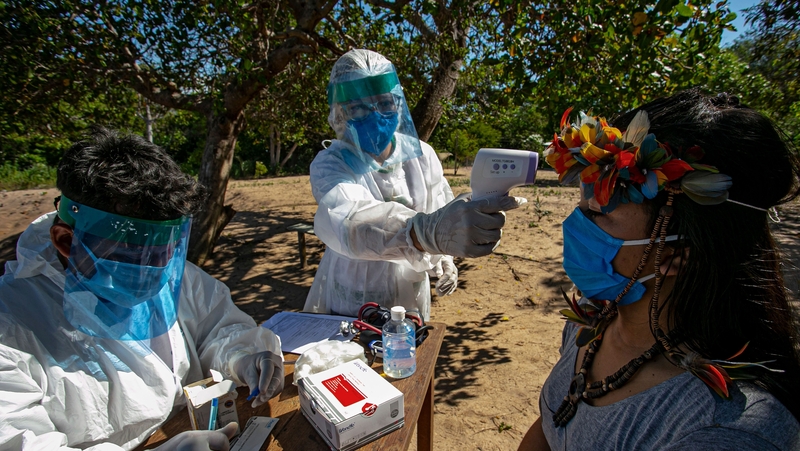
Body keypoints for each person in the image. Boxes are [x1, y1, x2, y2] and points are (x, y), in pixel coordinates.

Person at [520, 89, 800, 450]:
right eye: (582, 202)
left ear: (677, 254)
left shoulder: (725, 431)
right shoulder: (590, 324)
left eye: (598, 213)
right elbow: (549, 428)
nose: (575, 223)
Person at [0, 128, 285, 450]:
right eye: (132, 256)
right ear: (67, 241)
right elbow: (18, 439)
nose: (151, 272)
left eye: (162, 252)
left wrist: (241, 357)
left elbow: (216, 326)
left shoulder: (175, 276)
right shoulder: (11, 325)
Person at [304, 49, 525, 320]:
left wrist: (445, 257)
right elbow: (349, 222)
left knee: (407, 352)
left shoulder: (421, 154)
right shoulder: (331, 163)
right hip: (355, 293)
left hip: (409, 290)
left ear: (397, 103)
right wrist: (423, 233)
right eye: (359, 107)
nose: (375, 115)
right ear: (340, 113)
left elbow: (440, 208)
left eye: (384, 103)